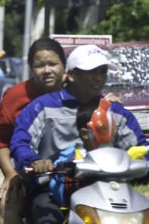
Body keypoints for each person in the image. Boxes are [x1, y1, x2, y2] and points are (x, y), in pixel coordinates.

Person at [10, 44, 148, 223]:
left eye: (103, 71)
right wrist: (34, 161)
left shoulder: (117, 112)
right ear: (72, 74)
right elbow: (20, 144)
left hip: (110, 191)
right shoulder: (42, 106)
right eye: (92, 72)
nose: (99, 78)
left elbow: (141, 148)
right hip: (52, 189)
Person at [0, 37, 66, 224]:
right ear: (31, 68)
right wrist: (10, 174)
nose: (47, 70)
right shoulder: (16, 95)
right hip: (30, 176)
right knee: (6, 203)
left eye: (52, 64)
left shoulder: (78, 92)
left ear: (64, 65)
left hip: (75, 175)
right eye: (40, 65)